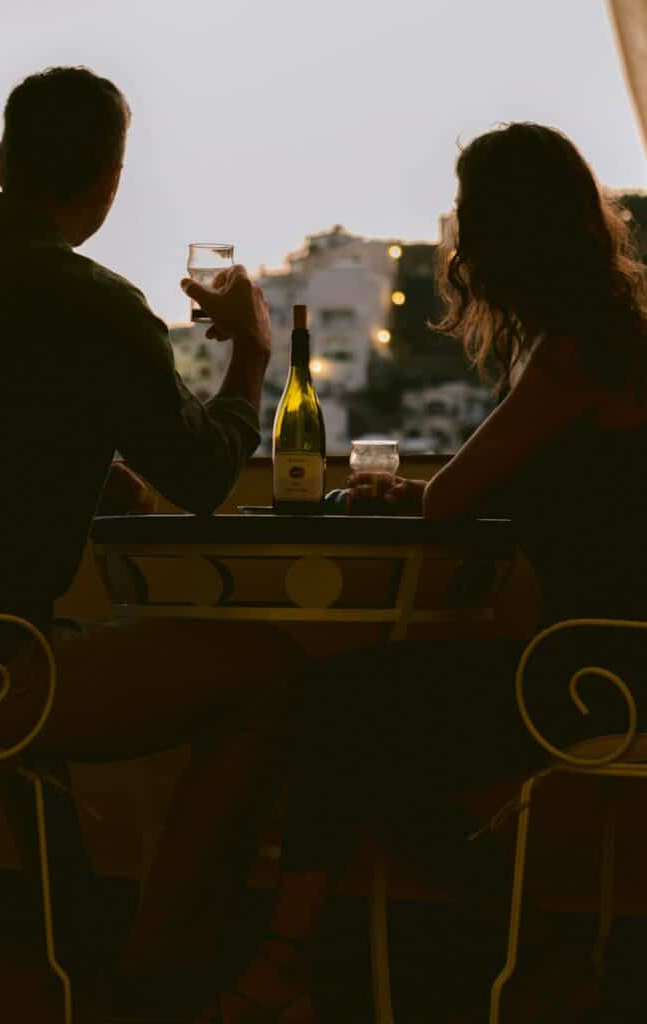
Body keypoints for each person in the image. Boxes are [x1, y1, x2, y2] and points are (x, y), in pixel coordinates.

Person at [0, 65, 303, 1014]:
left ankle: (78, 934)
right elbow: (204, 477)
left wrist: (93, 468)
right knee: (271, 669)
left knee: (37, 658)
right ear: (110, 181)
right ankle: (154, 969)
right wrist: (249, 348)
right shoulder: (95, 303)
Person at [186, 122, 647, 1023]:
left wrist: (393, 496)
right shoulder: (604, 335)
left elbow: (449, 499)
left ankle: (290, 964)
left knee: (335, 707)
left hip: (597, 673)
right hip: (607, 661)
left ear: (499, 229)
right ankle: (528, 955)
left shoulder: (567, 354)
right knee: (366, 734)